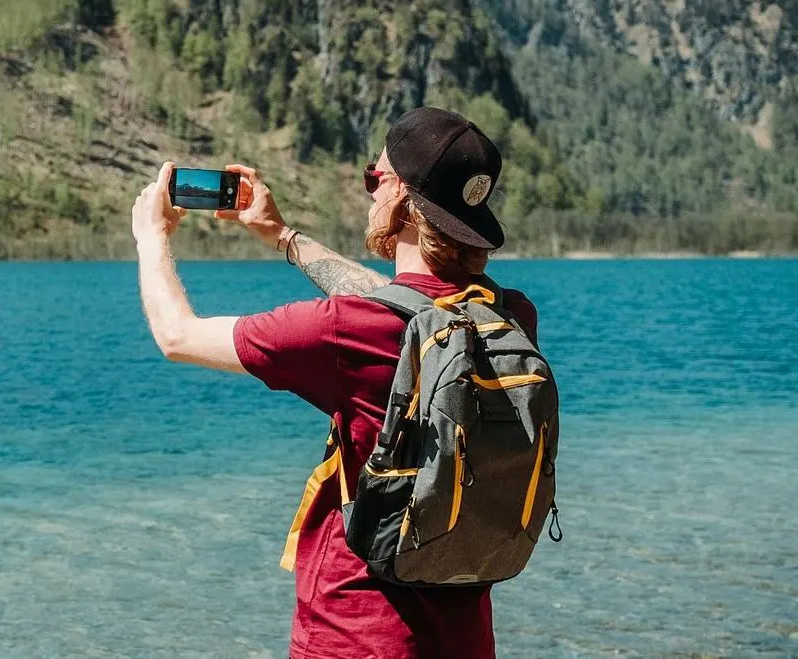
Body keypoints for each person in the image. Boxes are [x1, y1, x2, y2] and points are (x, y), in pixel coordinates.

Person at [131, 107, 538, 659]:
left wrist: (151, 235)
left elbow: (176, 335)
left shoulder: (348, 332)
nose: (370, 194)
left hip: (355, 636)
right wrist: (284, 237)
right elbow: (404, 301)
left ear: (402, 200)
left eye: (376, 178)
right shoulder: (509, 318)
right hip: (465, 640)